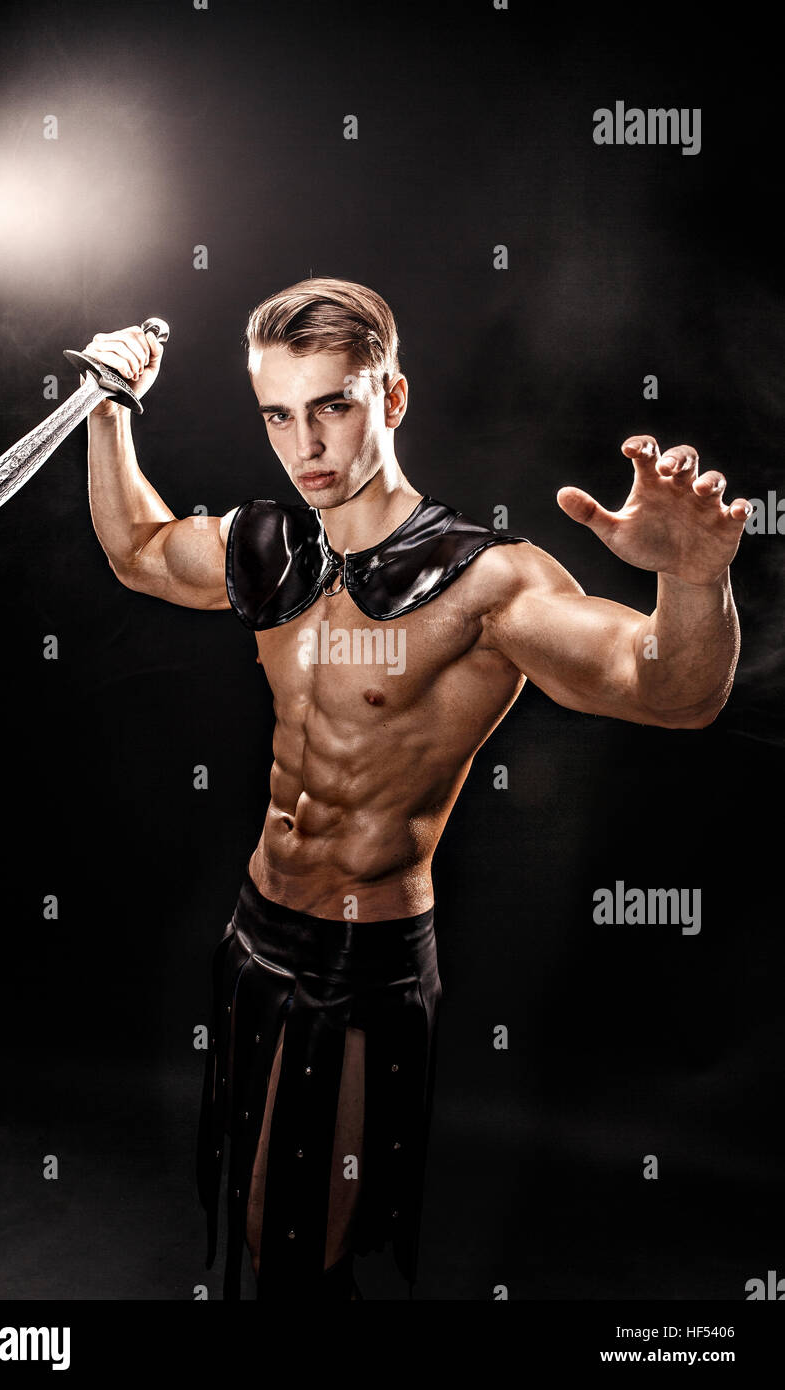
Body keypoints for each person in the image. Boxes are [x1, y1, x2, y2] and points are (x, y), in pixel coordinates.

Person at [83, 277, 747, 1301]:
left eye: (332, 407)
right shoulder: (268, 546)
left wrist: (692, 579)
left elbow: (667, 691)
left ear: (391, 400)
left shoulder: (487, 584)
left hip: (363, 962)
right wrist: (110, 408)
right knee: (261, 1223)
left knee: (307, 1242)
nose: (304, 446)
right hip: (256, 926)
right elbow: (135, 549)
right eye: (278, 415)